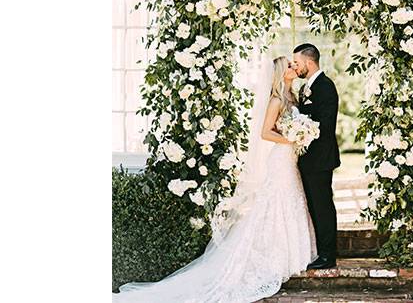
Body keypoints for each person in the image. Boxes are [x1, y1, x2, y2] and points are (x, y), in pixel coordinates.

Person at [113, 56, 317, 303]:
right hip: (281, 158)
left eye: (294, 65)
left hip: (289, 159)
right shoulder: (275, 100)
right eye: (289, 66)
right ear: (280, 73)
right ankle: (269, 257)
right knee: (275, 203)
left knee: (290, 200)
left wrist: (299, 135)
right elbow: (265, 132)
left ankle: (289, 254)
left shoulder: (290, 96)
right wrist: (292, 138)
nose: (294, 68)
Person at [291, 43, 341, 269]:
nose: (296, 67)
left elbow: (325, 124)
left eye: (298, 63)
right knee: (314, 207)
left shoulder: (325, 86)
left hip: (320, 159)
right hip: (309, 159)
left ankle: (328, 256)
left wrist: (298, 119)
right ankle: (320, 251)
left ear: (309, 63)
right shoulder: (307, 88)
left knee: (322, 207)